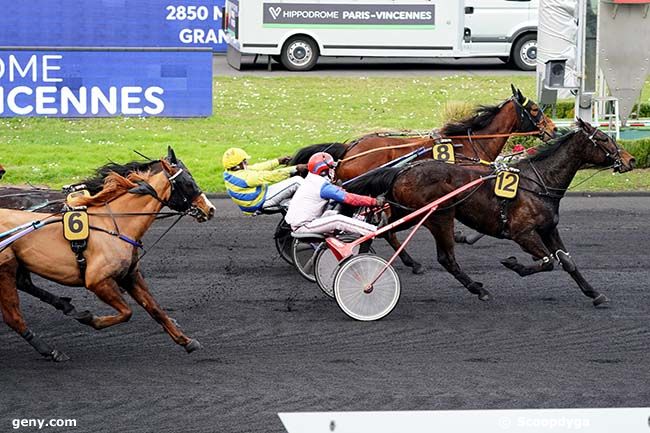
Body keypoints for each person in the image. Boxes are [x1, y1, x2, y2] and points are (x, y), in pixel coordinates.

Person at [285, 152, 383, 237]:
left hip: (301, 221)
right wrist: (373, 201)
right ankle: (375, 230)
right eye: (331, 167)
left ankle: (363, 222)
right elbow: (349, 199)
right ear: (324, 170)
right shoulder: (322, 186)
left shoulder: (312, 180)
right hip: (304, 226)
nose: (333, 170)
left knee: (332, 214)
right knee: (338, 220)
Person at [222, 147, 306, 215]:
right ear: (238, 166)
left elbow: (258, 167)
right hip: (261, 203)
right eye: (244, 161)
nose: (247, 163)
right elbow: (270, 176)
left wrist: (278, 161)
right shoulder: (246, 177)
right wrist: (295, 168)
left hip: (255, 202)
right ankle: (290, 206)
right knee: (297, 181)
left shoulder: (231, 172)